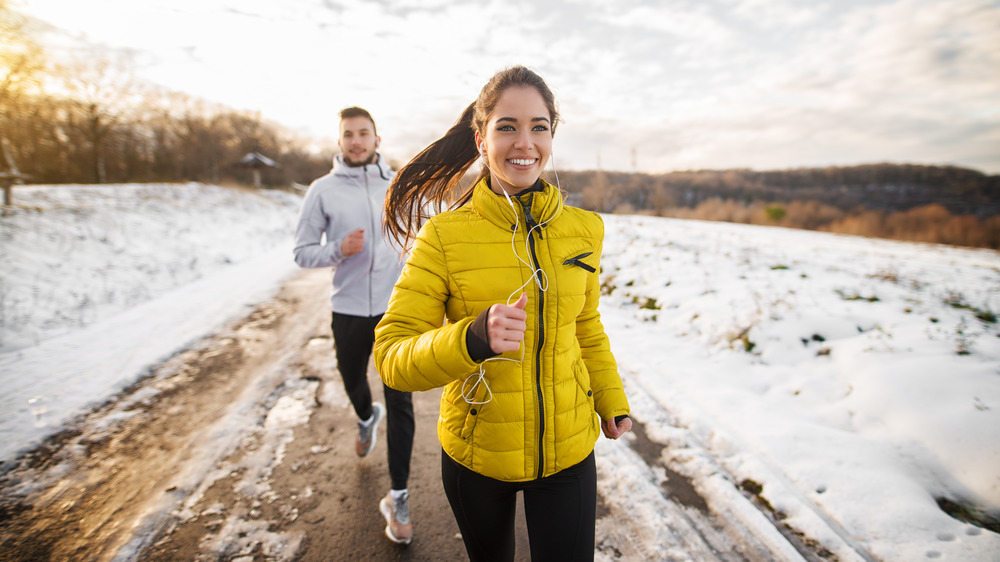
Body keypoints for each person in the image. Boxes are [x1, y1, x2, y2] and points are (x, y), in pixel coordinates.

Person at [373, 66, 632, 561]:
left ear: (552, 134)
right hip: (477, 454)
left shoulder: (585, 230)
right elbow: (391, 357)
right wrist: (471, 338)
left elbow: (585, 325)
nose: (525, 143)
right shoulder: (443, 238)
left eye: (539, 126)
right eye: (507, 126)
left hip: (569, 449)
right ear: (480, 137)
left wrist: (610, 397)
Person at [293, 106, 415, 545]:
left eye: (364, 133)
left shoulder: (398, 185)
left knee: (401, 402)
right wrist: (338, 250)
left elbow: (415, 237)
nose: (357, 140)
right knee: (353, 382)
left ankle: (399, 497)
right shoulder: (321, 191)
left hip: (394, 312)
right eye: (349, 134)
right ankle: (366, 417)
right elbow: (302, 251)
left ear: (377, 140)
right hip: (346, 309)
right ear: (340, 141)